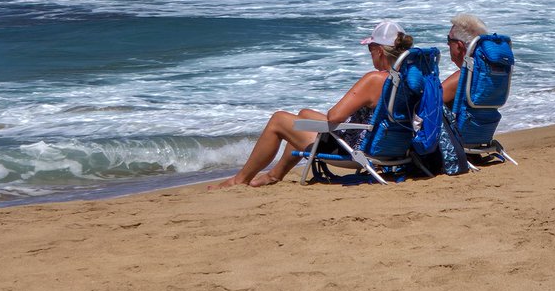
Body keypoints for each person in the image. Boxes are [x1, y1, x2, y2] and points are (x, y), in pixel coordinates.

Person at [208, 20, 414, 188]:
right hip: (391, 145)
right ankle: (274, 174)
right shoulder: (410, 78)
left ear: (379, 50)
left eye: (370, 48)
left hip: (358, 150)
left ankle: (239, 179)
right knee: (304, 114)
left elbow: (335, 116)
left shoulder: (375, 80)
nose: (369, 53)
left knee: (279, 119)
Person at [442, 12, 488, 106]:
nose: (447, 44)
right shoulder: (487, 73)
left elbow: (428, 101)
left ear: (459, 45)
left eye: (449, 40)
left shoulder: (464, 77)